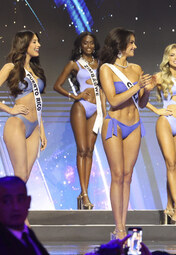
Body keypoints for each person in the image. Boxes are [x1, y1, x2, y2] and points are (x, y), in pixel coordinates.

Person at [99, 27, 155, 239]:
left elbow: (141, 103)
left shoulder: (137, 68)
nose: (135, 46)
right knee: (117, 175)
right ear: (120, 44)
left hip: (134, 125)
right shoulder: (106, 69)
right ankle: (119, 227)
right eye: (131, 42)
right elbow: (113, 100)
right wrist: (136, 86)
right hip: (114, 124)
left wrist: (147, 89)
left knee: (127, 176)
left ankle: (124, 223)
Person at [53, 32, 104, 210]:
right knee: (82, 149)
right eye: (85, 43)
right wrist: (73, 95)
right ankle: (84, 194)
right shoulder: (74, 64)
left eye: (91, 43)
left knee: (89, 151)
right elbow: (56, 85)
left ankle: (84, 192)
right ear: (80, 45)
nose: (88, 46)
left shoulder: (101, 65)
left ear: (94, 45)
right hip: (81, 107)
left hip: (96, 109)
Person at [146, 44, 176, 225]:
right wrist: (156, 110)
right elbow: (140, 95)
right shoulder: (159, 77)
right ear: (167, 58)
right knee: (171, 164)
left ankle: (168, 207)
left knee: (174, 168)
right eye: (172, 55)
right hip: (166, 122)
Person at [0, 30, 47, 182]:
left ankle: (11, 206)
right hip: (18, 123)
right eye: (34, 41)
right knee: (19, 175)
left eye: (37, 41)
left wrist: (42, 130)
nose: (38, 45)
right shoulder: (10, 67)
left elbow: (37, 102)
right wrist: (9, 109)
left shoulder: (35, 70)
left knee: (24, 178)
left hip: (34, 127)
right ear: (24, 44)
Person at [0, 176, 49, 255]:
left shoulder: (27, 234)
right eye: (7, 201)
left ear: (28, 201)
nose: (15, 207)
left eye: (20, 199)